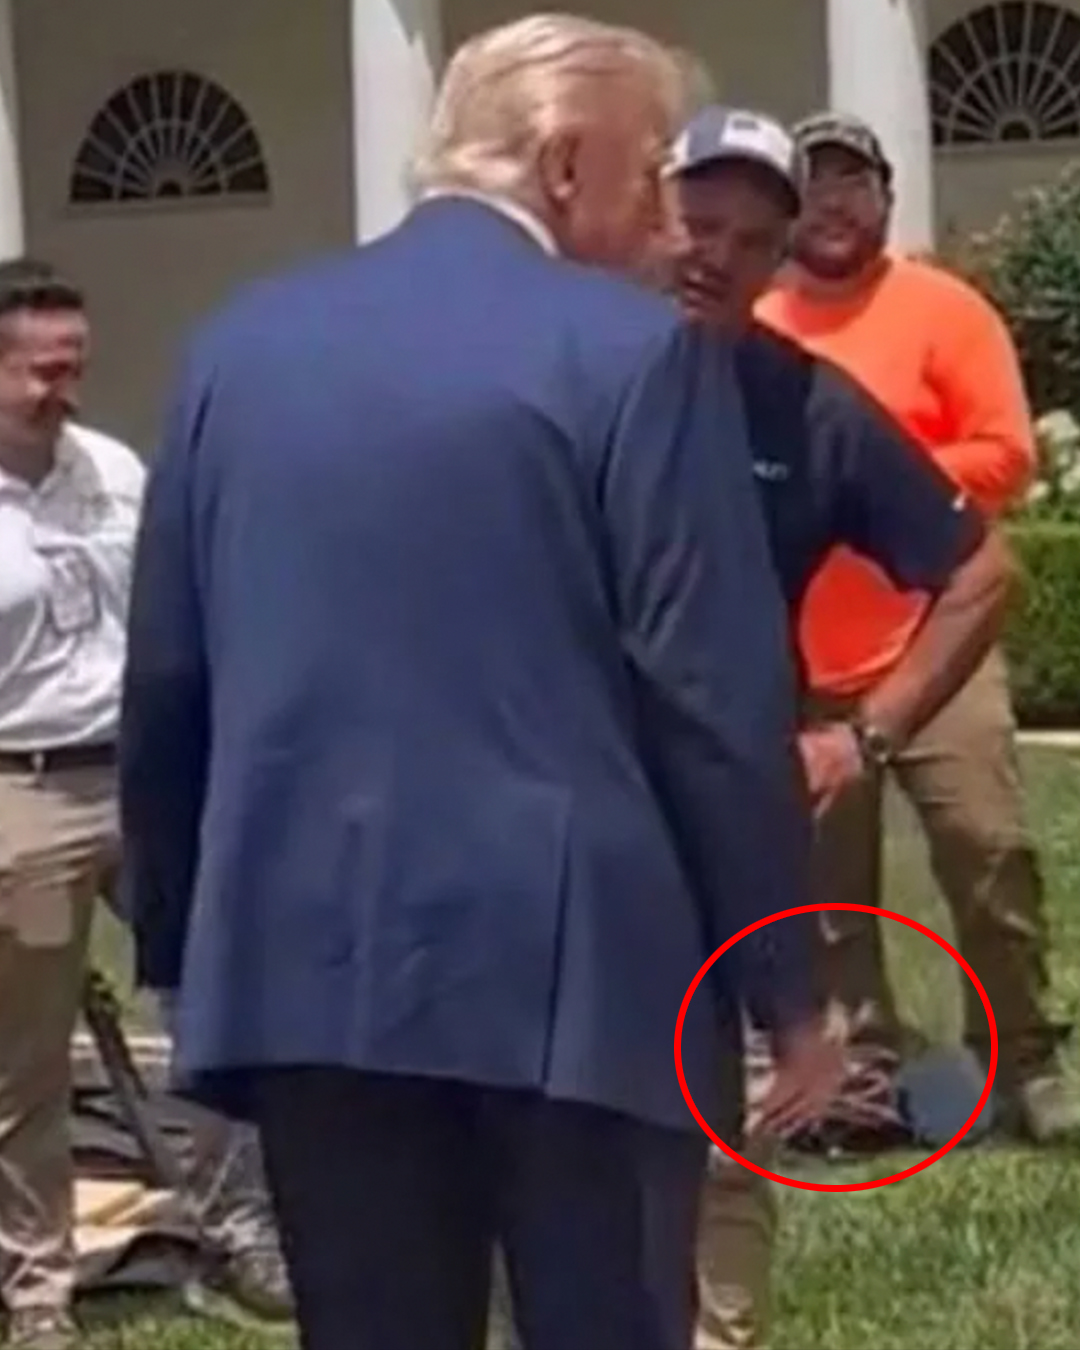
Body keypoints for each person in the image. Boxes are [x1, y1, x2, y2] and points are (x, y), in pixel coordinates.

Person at [119, 16, 845, 1350]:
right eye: (651, 180)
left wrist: (175, 939)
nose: (669, 225)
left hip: (309, 956)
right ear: (565, 162)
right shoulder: (639, 354)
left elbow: (168, 675)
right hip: (580, 975)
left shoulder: (236, 348)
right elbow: (710, 702)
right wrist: (787, 986)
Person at [665, 106, 1015, 1350]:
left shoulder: (806, 406)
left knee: (715, 1127)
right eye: (697, 223)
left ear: (778, 260)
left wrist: (859, 738)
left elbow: (980, 570)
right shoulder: (567, 371)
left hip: (724, 811)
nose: (715, 255)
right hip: (553, 805)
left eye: (750, 239)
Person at [755, 110, 1079, 1144]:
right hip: (803, 660)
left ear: (887, 199)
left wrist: (877, 477)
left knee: (987, 845)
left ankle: (1027, 1059)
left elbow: (1006, 453)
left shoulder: (945, 311)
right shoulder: (759, 327)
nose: (835, 202)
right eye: (816, 183)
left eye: (855, 182)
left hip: (939, 642)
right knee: (827, 890)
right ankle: (862, 1079)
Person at [0, 259, 289, 1350]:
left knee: (216, 1006)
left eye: (74, 365)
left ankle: (242, 1229)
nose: (63, 390)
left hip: (140, 773)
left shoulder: (114, 472)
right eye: (40, 371)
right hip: (22, 786)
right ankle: (37, 1289)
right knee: (25, 1065)